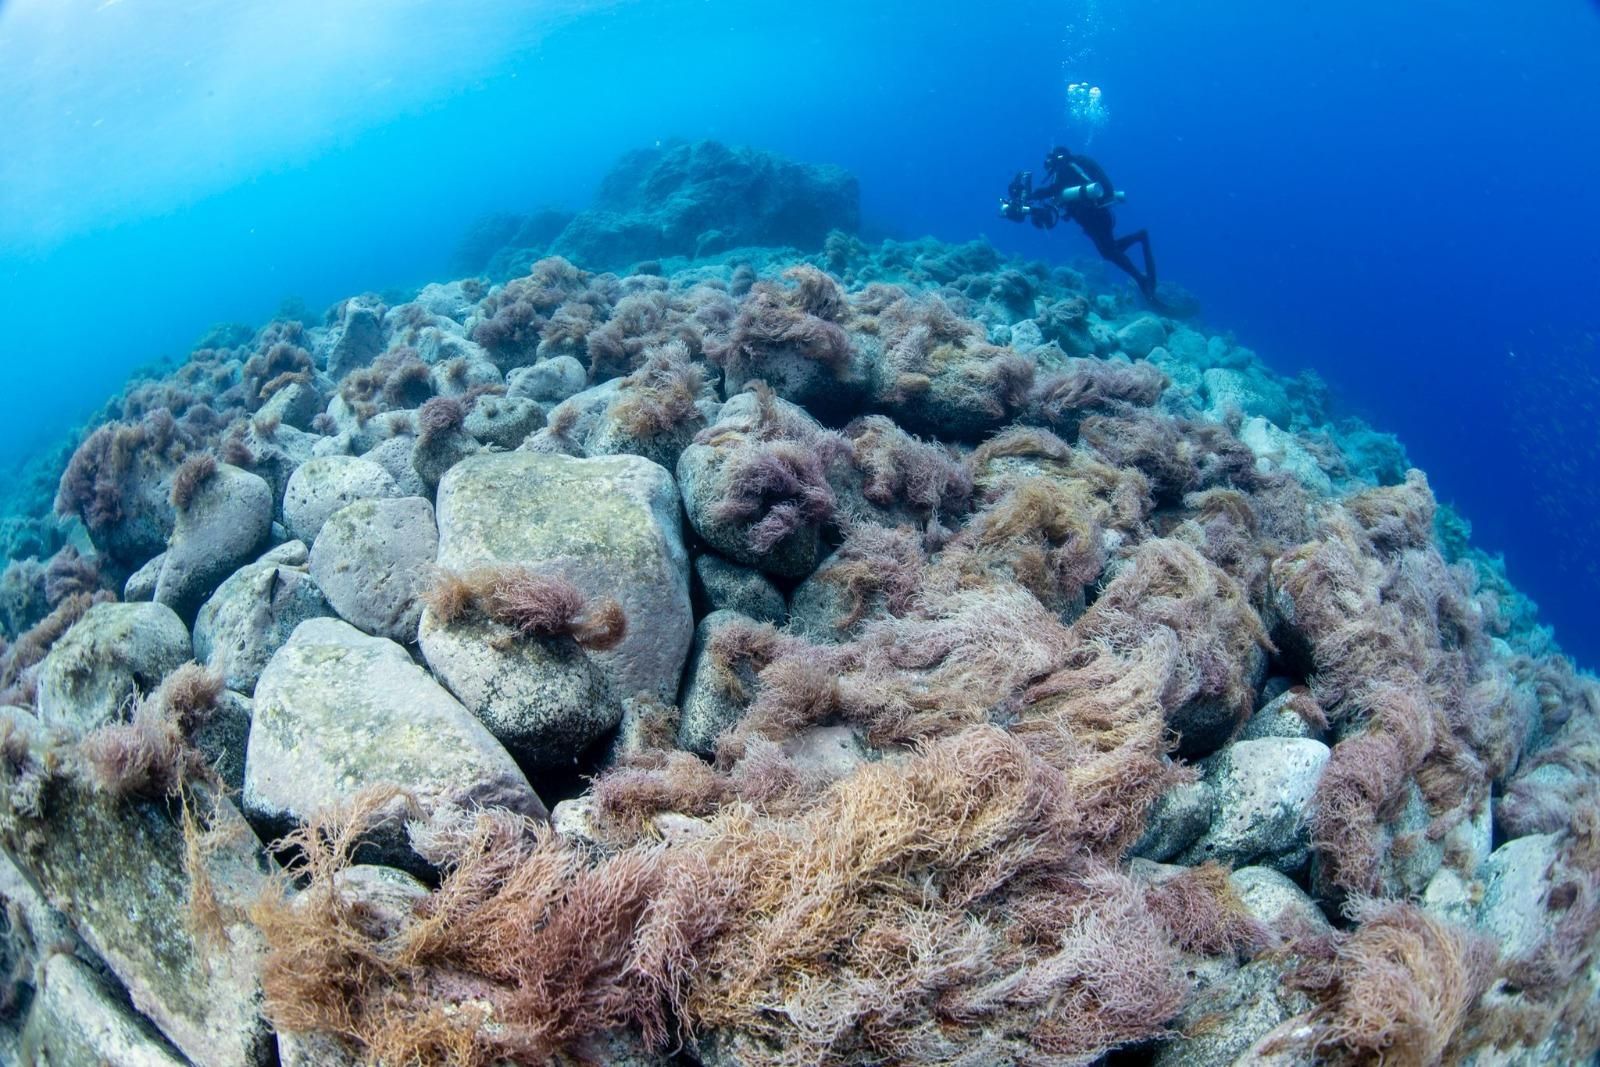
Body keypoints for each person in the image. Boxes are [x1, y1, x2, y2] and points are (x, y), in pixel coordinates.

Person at [1000, 146, 1162, 306]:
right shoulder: (1074, 168)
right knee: (1110, 250)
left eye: (1049, 162)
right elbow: (1060, 197)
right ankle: (1140, 248)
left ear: (1057, 158)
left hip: (1094, 216)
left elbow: (1054, 190)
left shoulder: (1064, 168)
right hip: (1098, 215)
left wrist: (1032, 195)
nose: (1048, 166)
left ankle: (1141, 278)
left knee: (1109, 251)